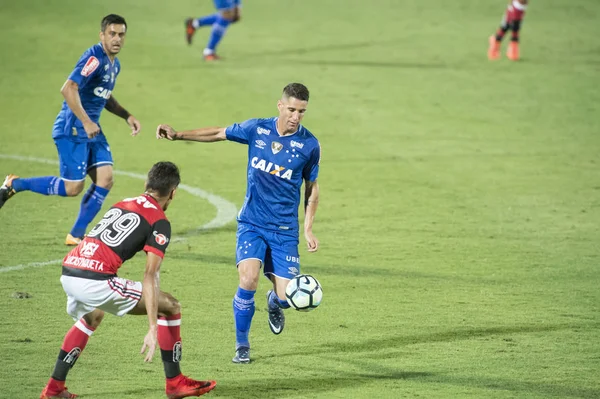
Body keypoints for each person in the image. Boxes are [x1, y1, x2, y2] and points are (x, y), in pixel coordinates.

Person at [156, 83, 321, 364]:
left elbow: (312, 187)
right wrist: (178, 134)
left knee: (287, 298)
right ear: (280, 105)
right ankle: (242, 345)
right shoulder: (257, 129)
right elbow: (219, 133)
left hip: (284, 231)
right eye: (292, 109)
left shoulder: (309, 145)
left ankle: (274, 300)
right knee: (248, 279)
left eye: (302, 111)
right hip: (252, 223)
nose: (296, 116)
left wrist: (307, 227)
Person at [40, 161, 217, 399]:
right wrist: (153, 327)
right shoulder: (159, 221)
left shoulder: (123, 203)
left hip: (70, 269)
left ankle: (54, 389)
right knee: (170, 306)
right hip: (96, 279)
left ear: (147, 184)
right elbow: (150, 275)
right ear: (173, 192)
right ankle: (175, 382)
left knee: (93, 315)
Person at [0, 14, 141, 246]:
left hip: (92, 129)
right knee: (73, 187)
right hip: (74, 127)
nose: (117, 39)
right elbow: (68, 88)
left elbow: (102, 94)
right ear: (102, 35)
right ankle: (15, 184)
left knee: (105, 179)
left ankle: (75, 235)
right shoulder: (94, 58)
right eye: (112, 34)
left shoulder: (114, 63)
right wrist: (86, 122)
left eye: (121, 34)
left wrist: (127, 115)